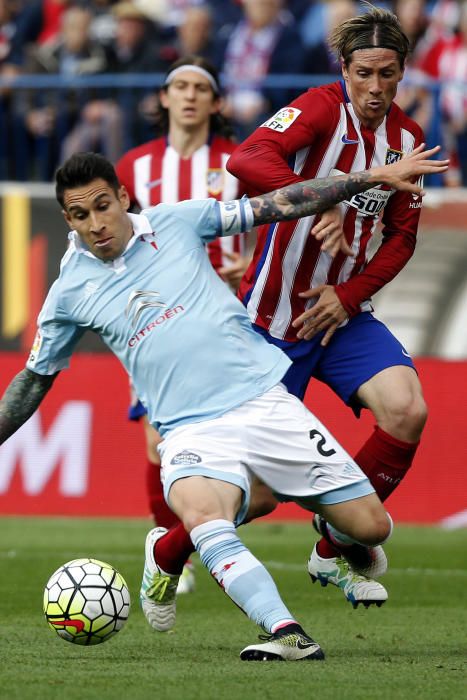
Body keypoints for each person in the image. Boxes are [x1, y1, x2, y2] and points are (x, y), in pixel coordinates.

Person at [0, 149, 447, 661]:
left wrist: (367, 178)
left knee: (370, 527)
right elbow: (35, 380)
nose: (97, 224)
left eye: (103, 206)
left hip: (263, 401)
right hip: (188, 430)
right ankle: (287, 632)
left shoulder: (176, 221)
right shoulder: (68, 293)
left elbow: (277, 204)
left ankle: (167, 551)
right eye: (80, 215)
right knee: (207, 515)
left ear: (124, 197)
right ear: (67, 220)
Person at [225, 2, 438, 602]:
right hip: (271, 320)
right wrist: (317, 200)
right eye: (364, 72)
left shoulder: (406, 142)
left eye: (388, 74)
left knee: (407, 410)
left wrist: (347, 296)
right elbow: (245, 159)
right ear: (344, 68)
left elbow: (401, 239)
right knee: (257, 490)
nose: (375, 87)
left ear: (403, 72)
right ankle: (169, 546)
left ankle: (334, 545)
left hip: (341, 316)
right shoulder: (319, 107)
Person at [115, 56, 254, 595]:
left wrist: (256, 262)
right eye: (180, 86)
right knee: (157, 441)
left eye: (201, 88)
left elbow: (274, 215)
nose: (190, 95)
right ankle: (171, 551)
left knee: (238, 445)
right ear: (165, 98)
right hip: (156, 320)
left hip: (226, 317)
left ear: (217, 103)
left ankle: (196, 536)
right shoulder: (133, 166)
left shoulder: (239, 162)